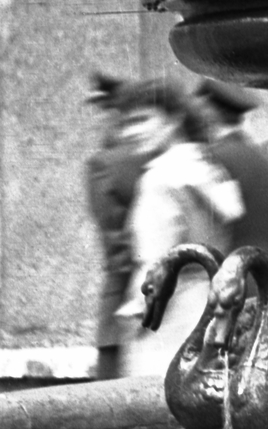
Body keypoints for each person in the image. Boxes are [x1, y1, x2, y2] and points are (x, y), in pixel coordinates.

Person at [115, 80, 245, 381]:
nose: (132, 132)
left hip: (168, 318)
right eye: (127, 124)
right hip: (211, 307)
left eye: (142, 120)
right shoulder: (205, 168)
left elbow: (154, 264)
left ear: (173, 120)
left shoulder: (158, 181)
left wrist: (134, 315)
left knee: (156, 412)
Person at [83, 73, 147, 382]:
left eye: (101, 112)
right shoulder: (156, 155)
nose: (96, 123)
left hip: (123, 298)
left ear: (116, 114)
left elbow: (116, 245)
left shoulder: (104, 164)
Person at [193, 79, 268, 254]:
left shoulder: (214, 158)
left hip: (227, 271)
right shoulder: (263, 159)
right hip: (264, 270)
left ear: (208, 111)